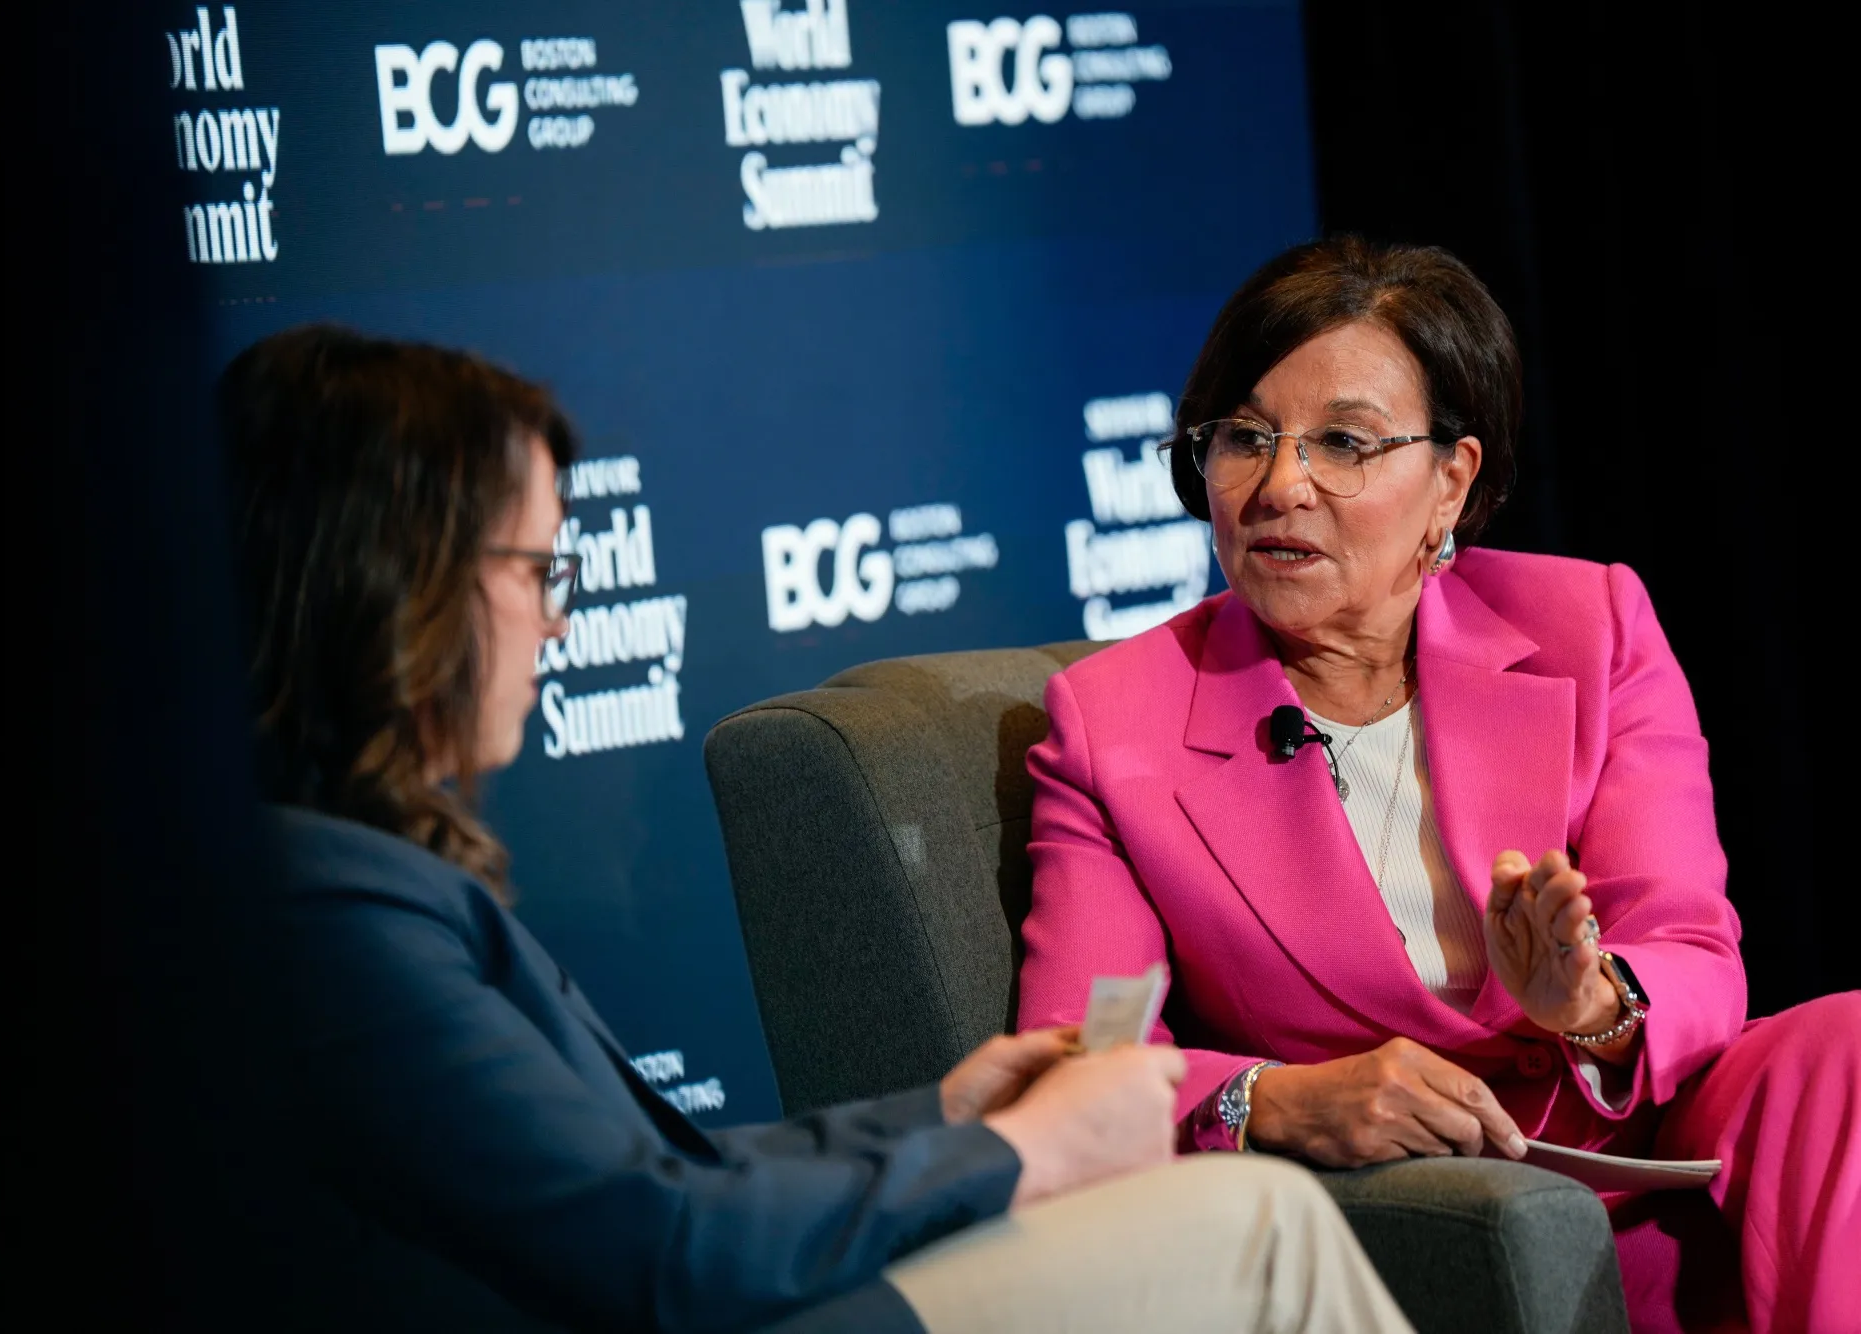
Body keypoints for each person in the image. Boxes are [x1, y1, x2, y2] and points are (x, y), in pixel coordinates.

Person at [211, 323, 1413, 1333]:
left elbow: (666, 1179)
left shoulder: (349, 883)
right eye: (534, 572)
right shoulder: (328, 921)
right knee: (1257, 1223)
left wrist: (946, 1117)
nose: (555, 625)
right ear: (398, 584)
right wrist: (1021, 1155)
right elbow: (660, 1247)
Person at [1016, 236, 1858, 1334]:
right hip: (1406, 1217)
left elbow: (1691, 948)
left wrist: (1591, 1003)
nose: (1279, 486)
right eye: (1245, 438)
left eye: (1342, 443)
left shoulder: (1590, 626)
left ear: (1450, 480)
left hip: (1655, 1162)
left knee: (1842, 1046)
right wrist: (1276, 1098)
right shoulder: (1115, 722)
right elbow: (1080, 1060)